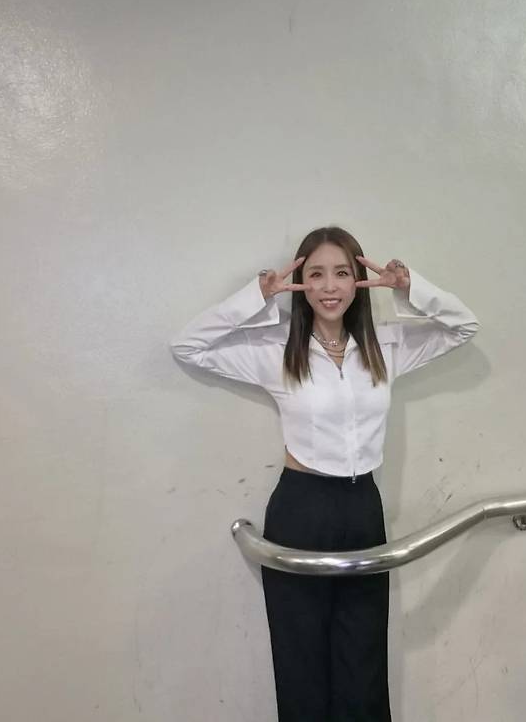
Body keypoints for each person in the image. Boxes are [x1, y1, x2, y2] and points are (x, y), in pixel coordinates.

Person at [169, 225, 480, 721]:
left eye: (342, 273)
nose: (329, 287)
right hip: (301, 507)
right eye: (316, 274)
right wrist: (257, 297)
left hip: (363, 506)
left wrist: (410, 288)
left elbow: (463, 327)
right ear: (301, 283)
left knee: (363, 657)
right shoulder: (276, 348)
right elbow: (188, 346)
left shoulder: (385, 344)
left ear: (359, 280)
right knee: (302, 662)